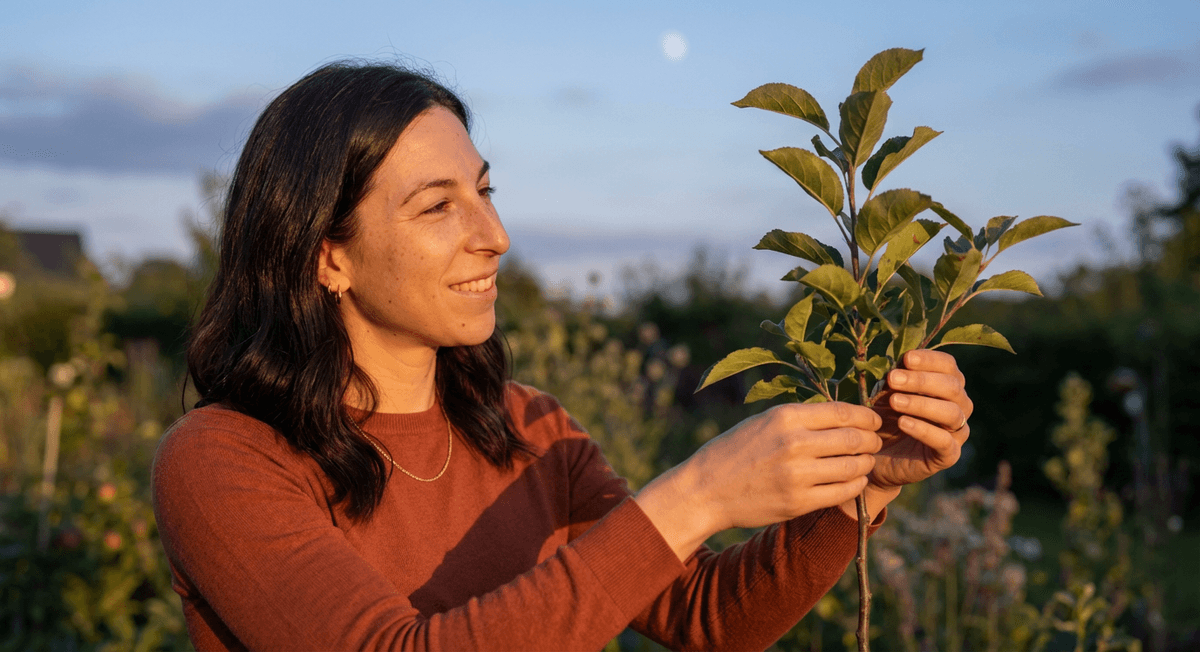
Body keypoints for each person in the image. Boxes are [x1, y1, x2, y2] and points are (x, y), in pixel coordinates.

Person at [152, 61, 973, 651]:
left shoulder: (524, 425)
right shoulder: (225, 458)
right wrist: (696, 496)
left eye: (485, 190)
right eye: (439, 205)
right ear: (326, 255)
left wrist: (861, 488)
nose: (494, 237)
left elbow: (708, 618)